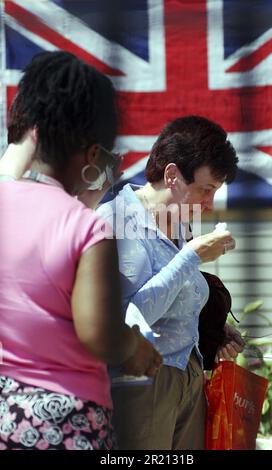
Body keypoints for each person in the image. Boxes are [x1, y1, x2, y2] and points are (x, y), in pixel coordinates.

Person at [0, 51, 161, 451]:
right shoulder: (87, 228)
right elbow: (98, 333)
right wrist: (135, 347)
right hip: (68, 422)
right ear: (93, 155)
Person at [97, 115, 244, 450]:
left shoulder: (180, 222)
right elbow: (126, 319)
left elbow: (176, 299)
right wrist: (190, 258)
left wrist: (214, 332)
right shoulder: (116, 222)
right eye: (206, 190)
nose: (209, 204)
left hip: (187, 377)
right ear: (173, 175)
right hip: (141, 384)